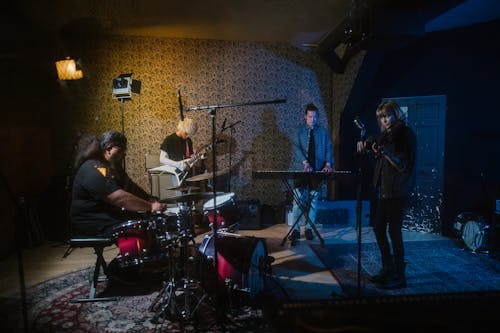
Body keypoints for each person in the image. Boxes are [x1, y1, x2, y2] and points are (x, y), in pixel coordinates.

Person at [356, 100, 416, 289]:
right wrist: (367, 148)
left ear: (395, 114)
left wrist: (385, 152)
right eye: (381, 117)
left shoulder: (404, 134)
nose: (385, 120)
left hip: (398, 191)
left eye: (387, 115)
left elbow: (402, 165)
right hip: (384, 191)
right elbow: (378, 157)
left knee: (394, 232)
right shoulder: (386, 136)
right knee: (378, 227)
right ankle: (387, 268)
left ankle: (400, 275)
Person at [70, 130, 167, 238]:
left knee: (147, 220)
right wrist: (151, 206)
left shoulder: (113, 167)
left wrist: (149, 198)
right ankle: (136, 253)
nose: (125, 154)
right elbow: (118, 198)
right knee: (137, 227)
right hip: (91, 220)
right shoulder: (93, 167)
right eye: (122, 149)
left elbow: (131, 187)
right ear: (109, 149)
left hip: (107, 214)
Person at [289, 103, 334, 246]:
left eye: (315, 117)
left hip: (317, 170)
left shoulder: (323, 132)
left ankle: (309, 229)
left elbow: (328, 148)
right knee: (298, 201)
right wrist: (304, 162)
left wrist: (328, 164)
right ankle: (295, 230)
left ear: (317, 117)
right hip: (301, 170)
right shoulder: (298, 130)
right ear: (305, 116)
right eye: (310, 117)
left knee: (313, 200)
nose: (312, 119)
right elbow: (296, 148)